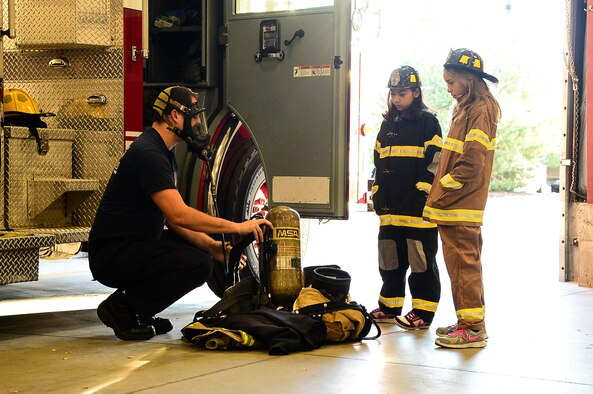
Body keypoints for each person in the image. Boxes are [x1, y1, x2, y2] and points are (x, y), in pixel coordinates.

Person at [88, 86, 272, 341]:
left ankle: (140, 309)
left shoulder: (162, 150)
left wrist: (211, 245)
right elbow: (179, 215)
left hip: (131, 246)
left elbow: (170, 220)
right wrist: (237, 227)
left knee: (199, 254)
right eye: (194, 117)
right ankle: (123, 308)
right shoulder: (150, 154)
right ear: (174, 116)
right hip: (114, 256)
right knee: (197, 264)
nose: (198, 124)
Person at [423, 48, 501, 349]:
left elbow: (472, 161)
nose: (448, 88)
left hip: (460, 203)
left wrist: (444, 186)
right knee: (458, 266)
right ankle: (466, 321)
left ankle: (473, 329)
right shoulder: (466, 109)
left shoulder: (481, 109)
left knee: (464, 265)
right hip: (453, 203)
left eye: (452, 82)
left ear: (469, 79)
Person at [370, 65, 443, 330]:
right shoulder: (388, 123)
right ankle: (390, 306)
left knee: (421, 262)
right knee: (389, 260)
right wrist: (376, 192)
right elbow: (378, 161)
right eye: (393, 93)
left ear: (415, 92)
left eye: (402, 93)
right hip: (390, 207)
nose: (397, 98)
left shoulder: (428, 122)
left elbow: (436, 161)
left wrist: (423, 191)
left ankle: (423, 313)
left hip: (417, 208)